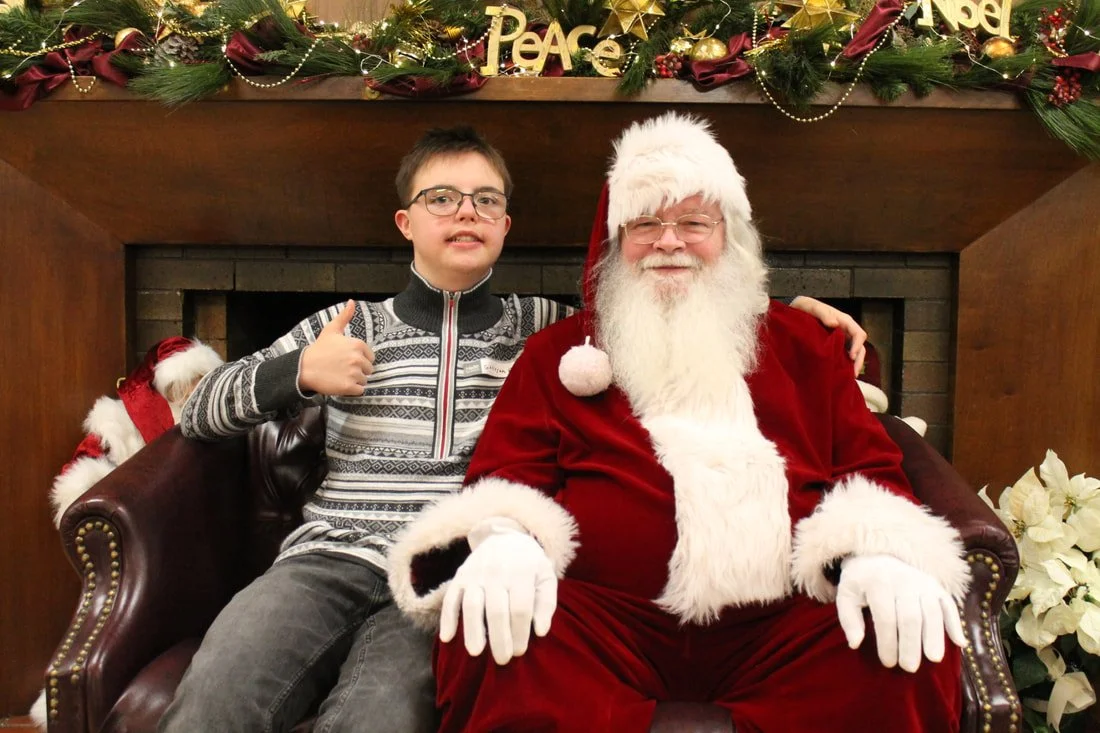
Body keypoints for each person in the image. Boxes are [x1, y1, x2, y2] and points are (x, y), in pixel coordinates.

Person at [159, 124, 869, 733]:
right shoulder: (345, 323)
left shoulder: (549, 331)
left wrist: (804, 318)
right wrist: (297, 374)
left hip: (451, 569)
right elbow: (196, 411)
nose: (465, 213)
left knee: (379, 717)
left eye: (486, 201)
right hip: (327, 560)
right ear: (407, 220)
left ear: (505, 225)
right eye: (442, 198)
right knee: (218, 688)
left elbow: (673, 297)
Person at [388, 113, 970, 733]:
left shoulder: (806, 345)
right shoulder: (558, 354)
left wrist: (876, 554)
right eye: (645, 224)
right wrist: (505, 538)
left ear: (729, 236)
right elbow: (505, 473)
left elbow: (869, 466)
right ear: (616, 242)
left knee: (905, 649)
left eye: (694, 222)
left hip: (785, 621)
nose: (670, 241)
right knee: (489, 639)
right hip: (603, 624)